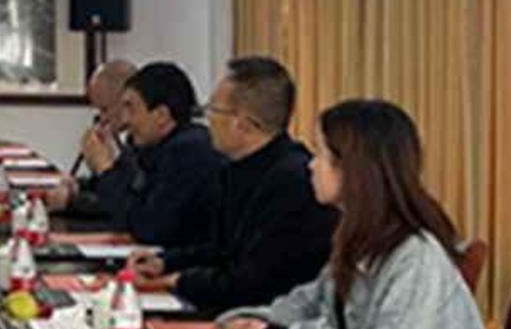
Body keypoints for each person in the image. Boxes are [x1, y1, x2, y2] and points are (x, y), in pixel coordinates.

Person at [220, 99, 509, 329]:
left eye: (321, 155)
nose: (310, 164)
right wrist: (247, 322)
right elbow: (308, 304)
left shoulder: (414, 257)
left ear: (355, 170)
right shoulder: (361, 239)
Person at [127, 57, 336, 312]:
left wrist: (176, 281)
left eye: (213, 111)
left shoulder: (293, 183)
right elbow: (222, 250)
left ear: (242, 123)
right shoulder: (235, 169)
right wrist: (165, 262)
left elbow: (253, 283)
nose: (207, 121)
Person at [80, 61, 223, 249]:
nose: (126, 120)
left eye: (131, 109)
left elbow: (148, 226)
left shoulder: (189, 151)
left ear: (161, 115)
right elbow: (126, 196)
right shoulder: (152, 147)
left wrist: (105, 169)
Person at [46, 58, 137, 221]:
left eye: (104, 109)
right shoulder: (131, 139)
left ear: (127, 102)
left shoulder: (153, 144)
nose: (102, 119)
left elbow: (122, 205)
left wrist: (70, 202)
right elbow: (116, 182)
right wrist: (79, 186)